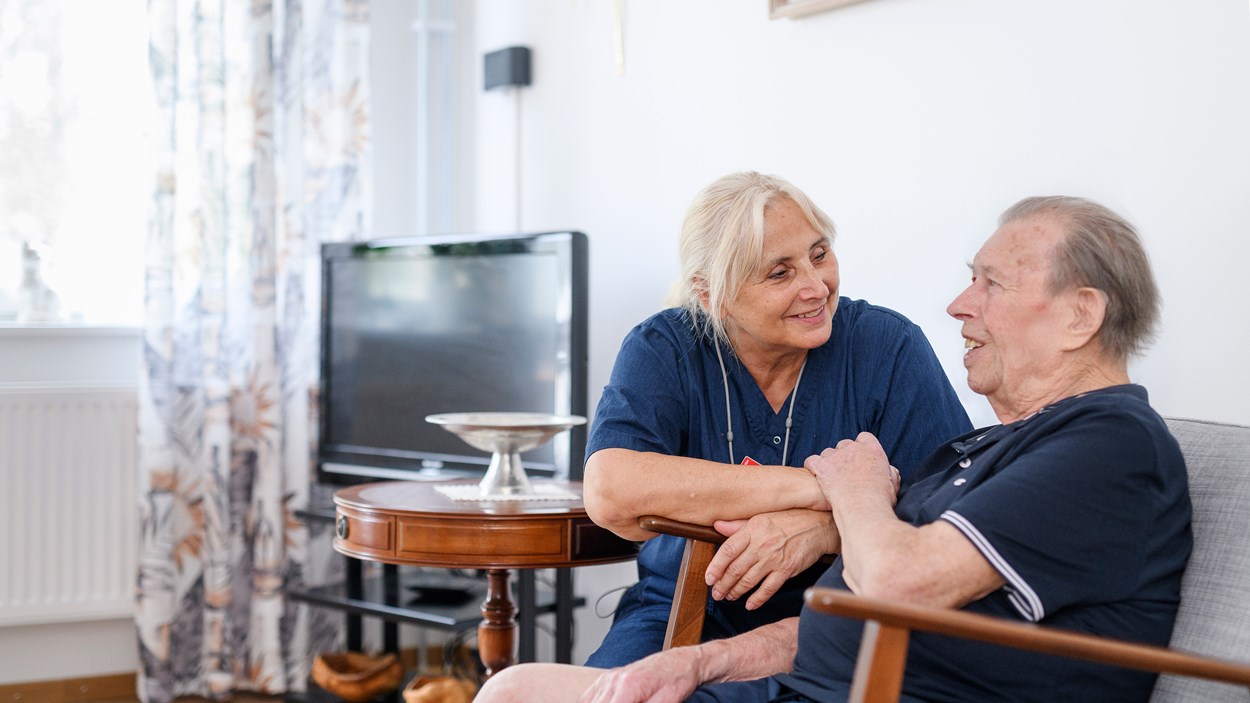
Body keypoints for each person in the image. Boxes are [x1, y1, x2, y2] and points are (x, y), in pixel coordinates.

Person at [476, 195, 1192, 702]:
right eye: (779, 270)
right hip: (800, 669)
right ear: (712, 294)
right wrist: (702, 659)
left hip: (867, 688)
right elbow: (851, 601)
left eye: (989, 282)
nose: (957, 304)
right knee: (515, 688)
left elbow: (895, 579)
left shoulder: (1104, 443)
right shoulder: (996, 446)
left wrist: (850, 488)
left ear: (1080, 315)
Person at [580, 172, 972, 667]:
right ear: (711, 295)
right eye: (779, 274)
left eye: (819, 254)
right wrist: (823, 489)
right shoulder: (666, 347)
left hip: (843, 609)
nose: (816, 287)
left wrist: (824, 530)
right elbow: (611, 490)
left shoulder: (885, 345)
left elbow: (955, 508)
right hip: (682, 609)